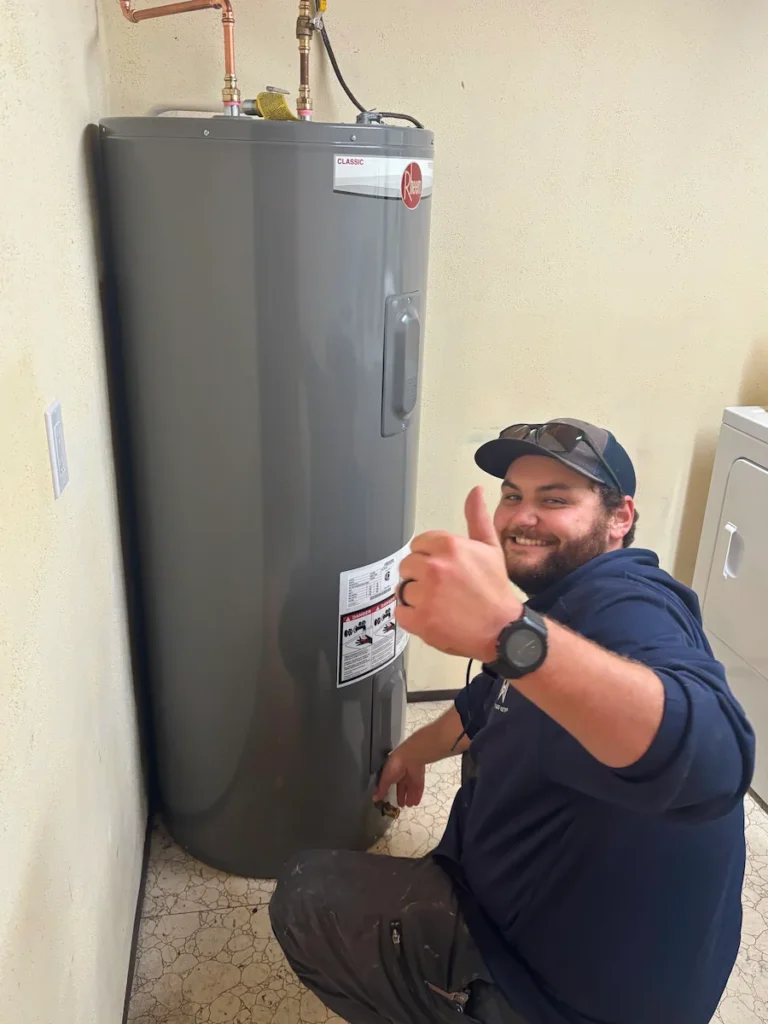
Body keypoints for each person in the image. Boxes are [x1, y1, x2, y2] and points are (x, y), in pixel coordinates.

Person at [270, 418, 754, 1024]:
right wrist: (419, 746)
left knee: (307, 895)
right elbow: (495, 697)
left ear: (620, 518)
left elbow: (717, 762)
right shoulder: (558, 606)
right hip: (600, 961)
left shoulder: (628, 604)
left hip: (557, 1000)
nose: (523, 517)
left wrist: (507, 634)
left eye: (556, 500)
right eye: (512, 496)